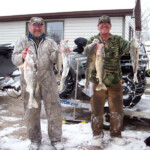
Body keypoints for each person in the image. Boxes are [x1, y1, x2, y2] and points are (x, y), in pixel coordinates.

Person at [84, 15, 137, 146]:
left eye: (107, 23)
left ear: (110, 26)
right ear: (98, 27)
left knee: (117, 110)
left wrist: (135, 44)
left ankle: (116, 134)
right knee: (96, 110)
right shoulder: (93, 40)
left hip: (115, 82)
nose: (104, 25)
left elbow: (128, 48)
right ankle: (97, 135)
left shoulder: (118, 40)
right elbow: (86, 51)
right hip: (97, 81)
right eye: (101, 24)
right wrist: (92, 45)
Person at [12, 17, 63, 150]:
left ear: (43, 28)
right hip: (29, 80)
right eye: (35, 25)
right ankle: (34, 140)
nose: (37, 28)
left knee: (54, 110)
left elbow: (54, 59)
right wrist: (21, 57)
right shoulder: (22, 41)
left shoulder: (50, 42)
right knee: (31, 111)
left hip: (48, 80)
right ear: (30, 27)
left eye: (40, 26)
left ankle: (56, 139)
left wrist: (59, 53)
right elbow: (14, 59)